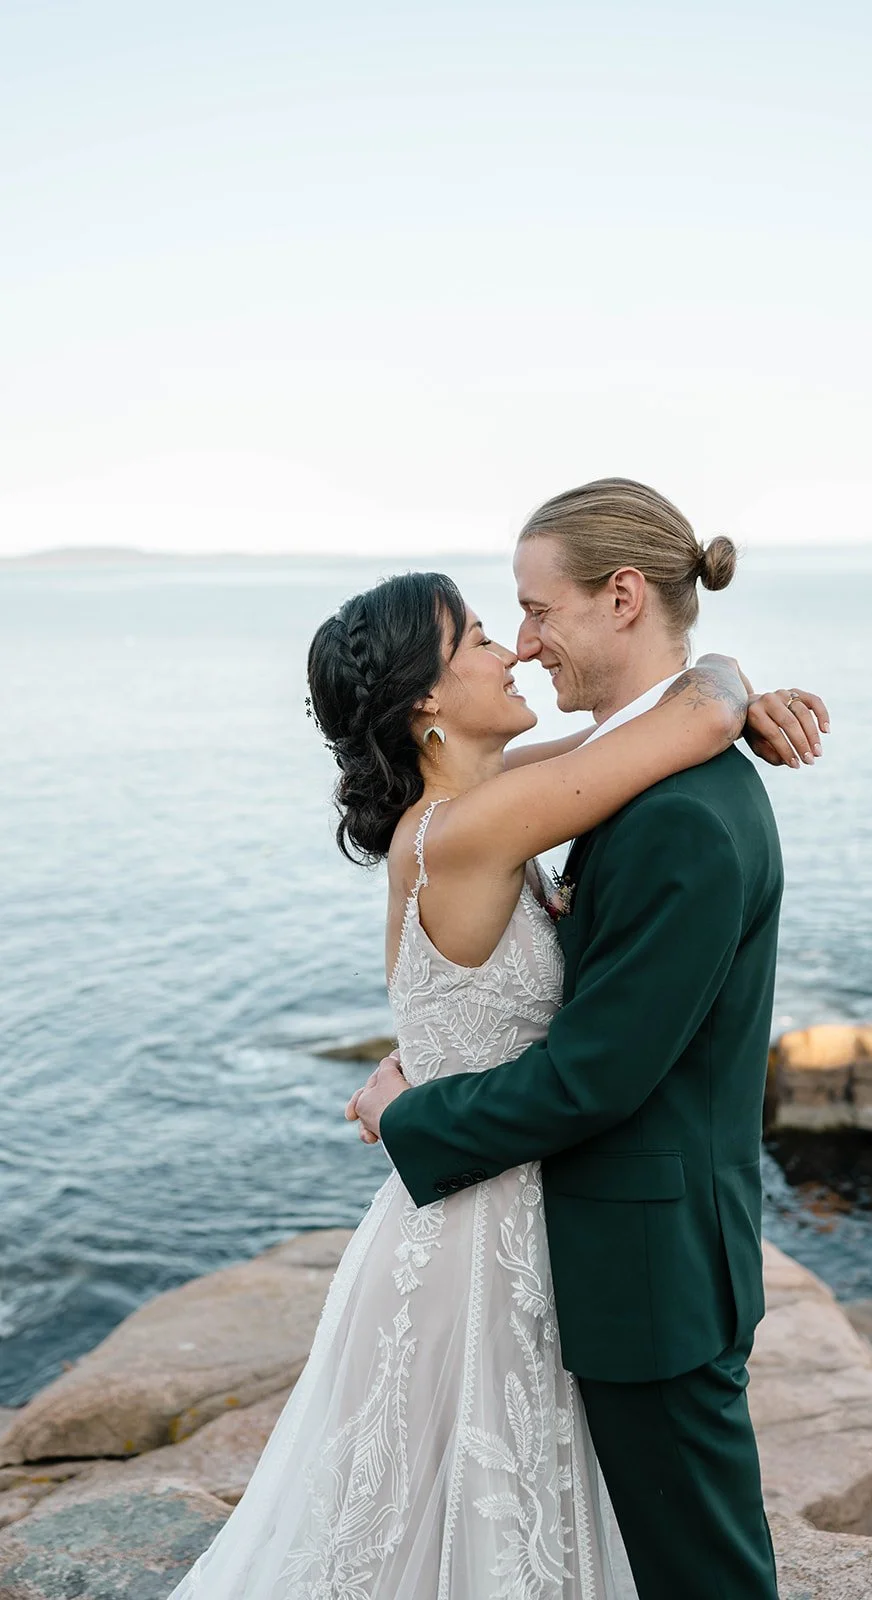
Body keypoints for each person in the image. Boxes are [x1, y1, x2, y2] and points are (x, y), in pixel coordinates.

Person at [166, 482, 826, 1600]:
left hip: (595, 1240)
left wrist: (723, 686)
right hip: (503, 1232)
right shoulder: (478, 823)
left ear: (620, 595)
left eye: (524, 613)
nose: (515, 648)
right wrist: (719, 689)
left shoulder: (532, 797)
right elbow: (678, 721)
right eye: (483, 632)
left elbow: (657, 731)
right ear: (425, 701)